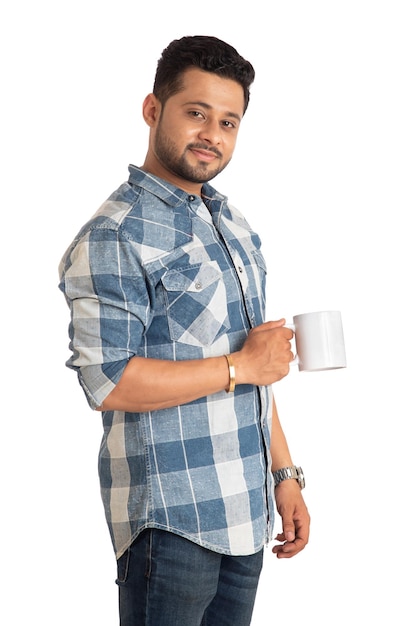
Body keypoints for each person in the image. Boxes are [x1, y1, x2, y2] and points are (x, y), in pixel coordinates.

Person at [58, 35, 310, 626]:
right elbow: (109, 382)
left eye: (229, 121)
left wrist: (285, 474)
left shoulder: (231, 223)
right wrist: (240, 368)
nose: (212, 135)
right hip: (172, 524)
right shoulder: (116, 233)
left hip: (246, 514)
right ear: (153, 110)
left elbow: (255, 366)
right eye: (196, 113)